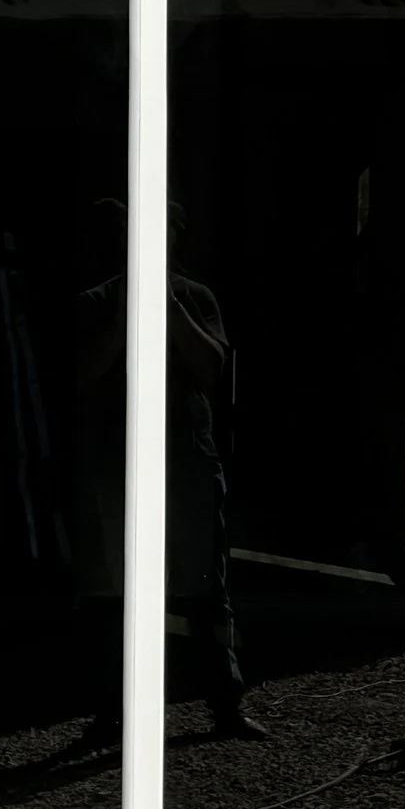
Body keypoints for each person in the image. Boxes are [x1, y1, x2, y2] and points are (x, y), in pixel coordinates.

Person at [74, 199, 264, 739]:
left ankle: (225, 703)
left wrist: (168, 309)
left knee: (206, 586)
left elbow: (211, 368)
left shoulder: (196, 298)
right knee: (117, 588)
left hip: (187, 459)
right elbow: (84, 373)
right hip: (120, 463)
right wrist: (125, 317)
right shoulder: (97, 299)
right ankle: (112, 711)